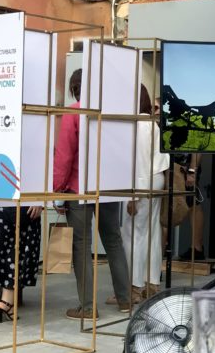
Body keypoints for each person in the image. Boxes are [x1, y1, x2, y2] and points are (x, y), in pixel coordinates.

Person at [53, 69, 132, 318]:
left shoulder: (74, 113)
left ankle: (88, 308)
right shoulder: (109, 113)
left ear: (74, 87)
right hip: (107, 186)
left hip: (79, 188)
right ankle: (125, 300)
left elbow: (64, 155)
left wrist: (57, 188)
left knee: (81, 246)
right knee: (114, 241)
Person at [122, 85, 169, 300]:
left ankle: (134, 287)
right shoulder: (152, 124)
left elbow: (138, 161)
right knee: (152, 231)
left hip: (141, 180)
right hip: (157, 178)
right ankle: (152, 282)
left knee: (133, 234)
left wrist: (133, 196)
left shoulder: (136, 125)